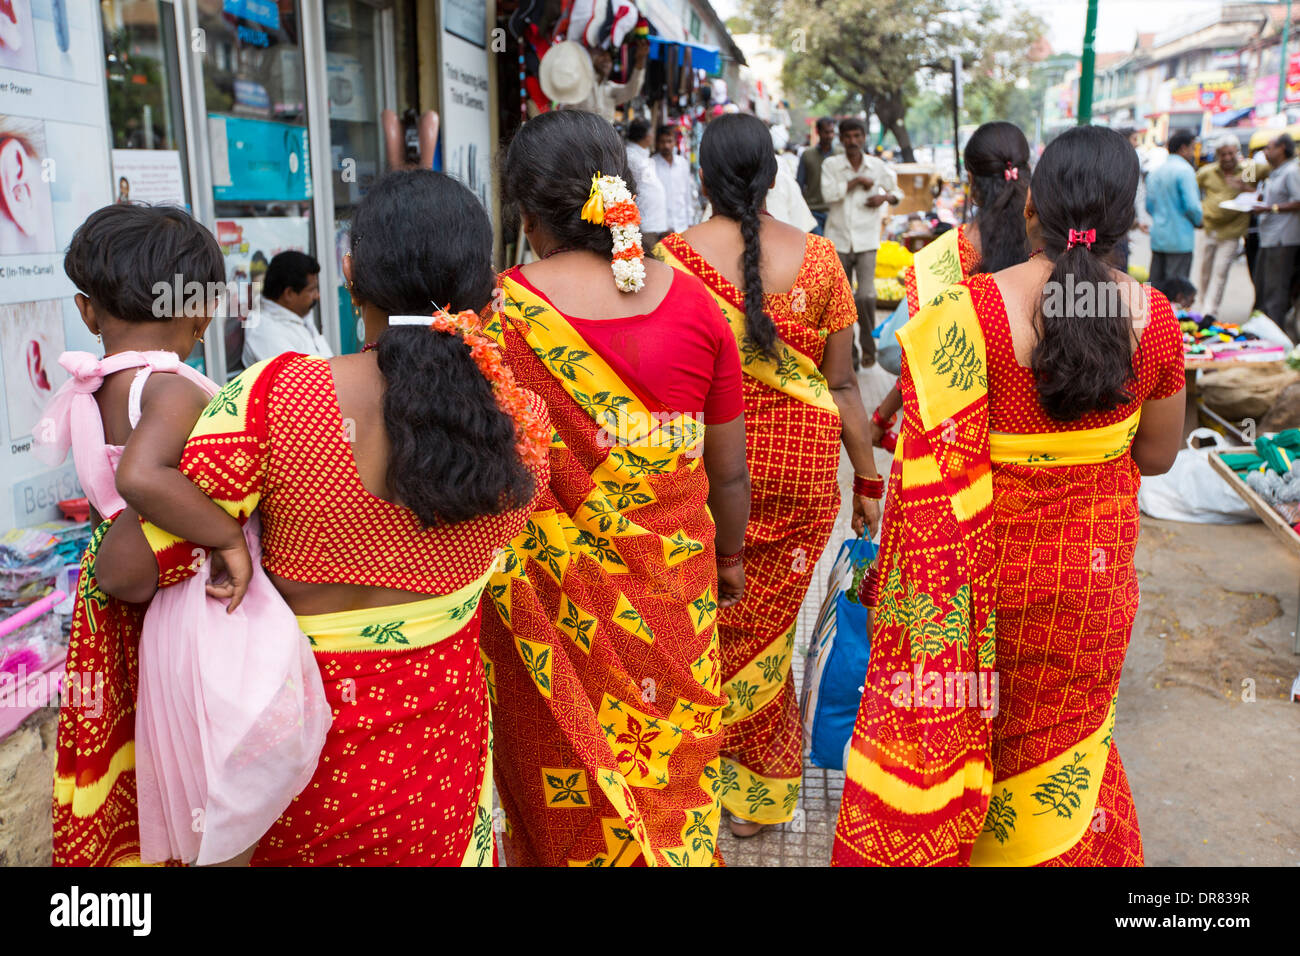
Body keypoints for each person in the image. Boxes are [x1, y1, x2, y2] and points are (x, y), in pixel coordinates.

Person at [96, 169, 551, 866]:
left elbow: (123, 573)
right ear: (485, 285)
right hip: (444, 764)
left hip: (299, 770)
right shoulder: (521, 424)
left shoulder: (273, 398)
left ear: (349, 275)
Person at [833, 125, 1185, 867]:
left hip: (974, 591)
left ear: (1031, 205)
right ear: (1127, 220)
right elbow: (1155, 459)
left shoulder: (969, 311)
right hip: (1089, 594)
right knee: (1065, 757)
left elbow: (923, 476)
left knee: (965, 737)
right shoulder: (1155, 320)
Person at [484, 108, 751, 866]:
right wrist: (728, 562)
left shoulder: (498, 315)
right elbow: (727, 473)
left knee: (557, 787)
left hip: (546, 611)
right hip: (676, 597)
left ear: (527, 213)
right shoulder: (697, 305)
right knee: (672, 780)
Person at [653, 113, 883, 837]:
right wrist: (869, 481)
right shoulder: (820, 262)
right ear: (775, 176)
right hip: (802, 475)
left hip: (696, 472)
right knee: (765, 638)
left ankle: (684, 773)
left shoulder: (664, 259)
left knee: (698, 630)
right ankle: (754, 801)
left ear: (701, 177)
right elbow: (845, 385)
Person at [36, 203, 237, 866]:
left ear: (88, 312)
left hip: (110, 593)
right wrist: (227, 538)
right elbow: (145, 480)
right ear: (202, 309)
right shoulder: (169, 387)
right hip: (167, 600)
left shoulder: (96, 386)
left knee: (131, 731)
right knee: (180, 742)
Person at [871, 121, 1034, 437]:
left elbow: (911, 354)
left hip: (963, 428)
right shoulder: (1054, 243)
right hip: (1033, 423)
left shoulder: (952, 252)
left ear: (971, 181)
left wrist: (882, 417)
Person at [821, 117, 903, 369]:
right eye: (848, 137)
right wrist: (856, 182)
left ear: (864, 137)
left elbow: (898, 193)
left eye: (857, 136)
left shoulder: (877, 165)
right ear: (841, 139)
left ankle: (868, 346)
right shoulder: (832, 165)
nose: (853, 141)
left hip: (867, 240)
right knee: (841, 301)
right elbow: (828, 195)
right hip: (839, 240)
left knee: (866, 296)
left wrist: (884, 197)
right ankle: (850, 354)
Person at [1196, 135, 1254, 320]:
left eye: (1231, 153)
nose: (1227, 158)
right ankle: (1203, 307)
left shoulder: (1247, 170)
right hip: (1210, 229)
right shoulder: (1207, 172)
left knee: (1219, 273)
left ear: (1237, 152)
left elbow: (1256, 195)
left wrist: (1243, 187)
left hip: (1231, 232)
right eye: (1223, 154)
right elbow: (1193, 188)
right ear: (1217, 155)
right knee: (1205, 271)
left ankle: (1210, 312)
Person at [242, 251, 329, 365]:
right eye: (312, 290)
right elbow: (299, 378)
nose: (317, 296)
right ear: (289, 294)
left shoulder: (300, 315)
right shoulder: (263, 331)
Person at [1253, 132, 1300, 330]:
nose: (1265, 152)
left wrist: (1270, 208)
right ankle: (1264, 328)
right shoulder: (1276, 172)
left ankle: (1274, 333)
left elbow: (1298, 201)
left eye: (1269, 147)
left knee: (1275, 290)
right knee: (1263, 285)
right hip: (1269, 237)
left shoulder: (1291, 171)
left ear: (1282, 149)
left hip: (1282, 239)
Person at [1145, 128, 1202, 284]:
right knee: (1176, 292)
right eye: (1192, 148)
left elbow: (1149, 206)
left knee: (1155, 291)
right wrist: (1199, 221)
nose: (1192, 152)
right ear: (1183, 148)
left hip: (1159, 237)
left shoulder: (1155, 172)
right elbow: (1192, 206)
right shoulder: (1185, 170)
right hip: (1180, 239)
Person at [580, 39, 648, 123]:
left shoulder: (610, 88)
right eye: (601, 57)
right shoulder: (579, 84)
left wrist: (640, 60)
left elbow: (632, 90)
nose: (606, 62)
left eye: (608, 60)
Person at [626, 117, 668, 249]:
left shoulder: (641, 155)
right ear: (647, 136)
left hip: (653, 221)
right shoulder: (632, 156)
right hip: (645, 223)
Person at [797, 117, 838, 235]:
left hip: (834, 211)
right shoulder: (807, 155)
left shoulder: (840, 154)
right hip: (813, 211)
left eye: (832, 132)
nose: (830, 136)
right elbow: (799, 184)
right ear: (818, 132)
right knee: (819, 250)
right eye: (826, 132)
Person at [654, 123, 696, 233]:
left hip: (682, 225)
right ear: (657, 143)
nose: (666, 146)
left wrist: (690, 221)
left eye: (669, 141)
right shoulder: (652, 164)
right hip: (662, 228)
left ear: (675, 142)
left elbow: (687, 193)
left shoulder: (682, 163)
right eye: (663, 142)